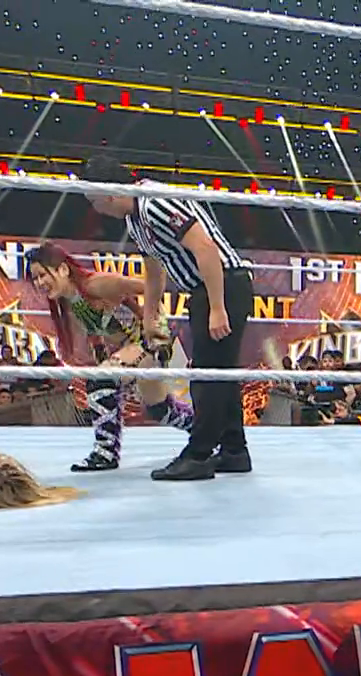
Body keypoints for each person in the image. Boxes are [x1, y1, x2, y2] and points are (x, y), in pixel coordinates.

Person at [80, 154, 253, 481]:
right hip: (205, 290)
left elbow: (205, 248)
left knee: (208, 377)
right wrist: (150, 314)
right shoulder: (135, 219)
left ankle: (198, 455)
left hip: (222, 285)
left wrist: (217, 306)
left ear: (110, 193)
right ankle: (234, 451)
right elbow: (154, 268)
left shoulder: (154, 203)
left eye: (94, 200)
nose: (95, 209)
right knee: (220, 374)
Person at [25, 243, 196, 471]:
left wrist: (157, 331)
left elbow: (151, 288)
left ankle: (105, 453)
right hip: (130, 347)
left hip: (147, 342)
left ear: (63, 269)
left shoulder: (95, 284)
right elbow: (98, 330)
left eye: (42, 275)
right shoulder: (69, 302)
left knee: (101, 378)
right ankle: (208, 431)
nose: (39, 283)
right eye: (35, 278)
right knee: (160, 410)